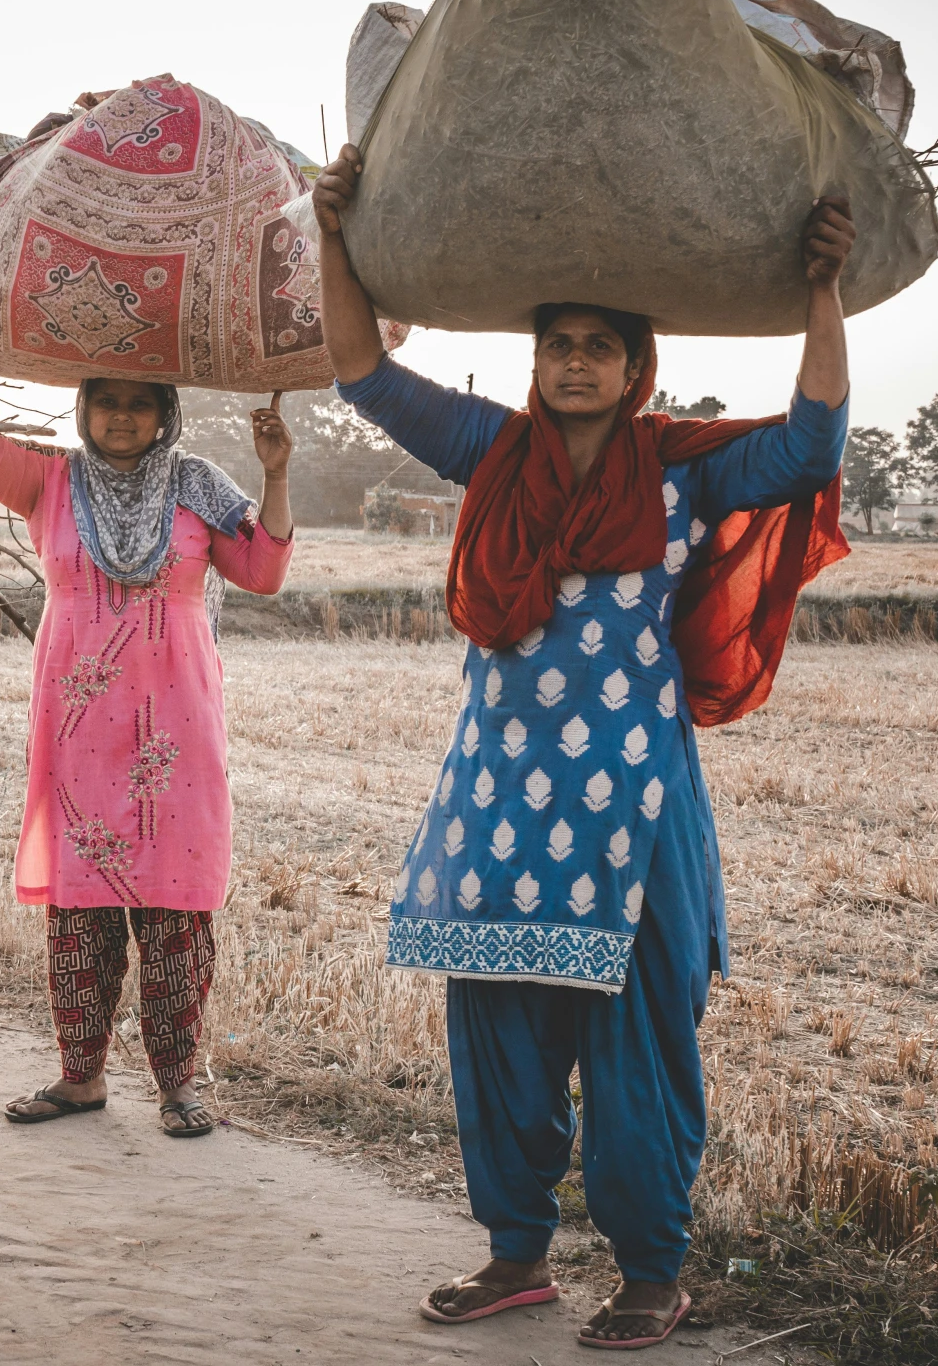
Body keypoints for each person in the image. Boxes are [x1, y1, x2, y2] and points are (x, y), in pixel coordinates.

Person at [312, 145, 854, 1348]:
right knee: (497, 1033)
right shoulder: (485, 450)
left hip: (635, 813)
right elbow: (359, 371)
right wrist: (330, 232)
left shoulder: (680, 471)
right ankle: (514, 1257)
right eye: (557, 345)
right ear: (536, 361)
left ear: (635, 365)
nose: (573, 363)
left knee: (635, 1047)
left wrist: (820, 290)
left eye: (598, 347)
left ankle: (652, 1272)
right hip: (496, 799)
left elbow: (812, 446)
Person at [0, 264, 296, 1139]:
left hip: (179, 731)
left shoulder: (199, 486)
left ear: (165, 410)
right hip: (79, 732)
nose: (122, 416)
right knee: (81, 911)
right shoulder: (50, 484)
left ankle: (179, 1085)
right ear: (82, 407)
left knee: (174, 914)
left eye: (140, 402)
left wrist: (273, 473)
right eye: (106, 401)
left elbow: (266, 572)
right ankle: (79, 1077)